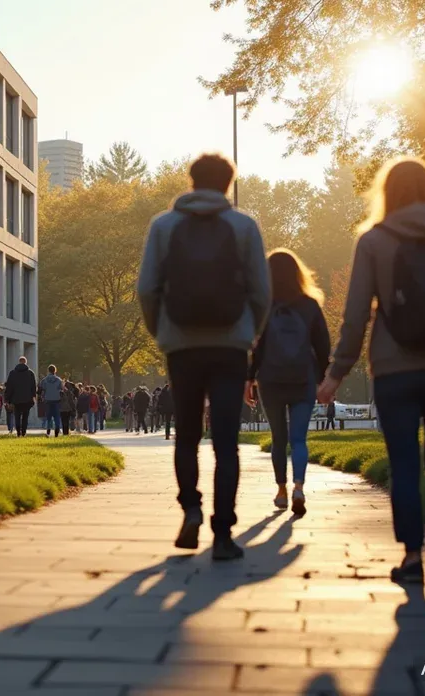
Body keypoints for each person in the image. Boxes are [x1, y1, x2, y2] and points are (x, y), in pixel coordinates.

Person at [317, 157, 425, 585]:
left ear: (387, 192)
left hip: (394, 366)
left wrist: (337, 372)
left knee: (404, 461)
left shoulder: (375, 241)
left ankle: (412, 556)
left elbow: (356, 314)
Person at [137, 153, 271, 561]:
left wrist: (162, 333)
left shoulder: (164, 226)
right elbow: (262, 291)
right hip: (230, 344)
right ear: (229, 183)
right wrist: (250, 333)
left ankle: (190, 509)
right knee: (226, 442)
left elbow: (147, 288)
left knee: (188, 436)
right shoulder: (244, 226)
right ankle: (224, 534)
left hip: (182, 344)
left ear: (190, 180)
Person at [247, 249, 331, 516]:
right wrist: (323, 379)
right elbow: (323, 345)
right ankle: (298, 487)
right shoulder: (309, 305)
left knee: (278, 438)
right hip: (302, 379)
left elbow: (255, 349)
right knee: (298, 439)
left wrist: (249, 378)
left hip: (270, 380)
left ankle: (281, 491)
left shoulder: (264, 306)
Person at [4, 356, 39, 437]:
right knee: (25, 416)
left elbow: (9, 387)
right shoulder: (30, 373)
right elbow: (33, 386)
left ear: (19, 362)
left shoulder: (12, 373)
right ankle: (23, 431)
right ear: (25, 362)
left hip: (16, 399)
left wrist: (7, 398)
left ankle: (18, 432)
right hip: (27, 399)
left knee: (17, 415)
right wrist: (33, 396)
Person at [38, 365, 64, 437]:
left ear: (48, 371)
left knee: (48, 416)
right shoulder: (59, 380)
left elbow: (42, 390)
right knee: (57, 416)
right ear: (55, 370)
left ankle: (48, 430)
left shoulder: (44, 380)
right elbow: (62, 389)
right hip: (57, 400)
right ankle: (57, 430)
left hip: (48, 399)